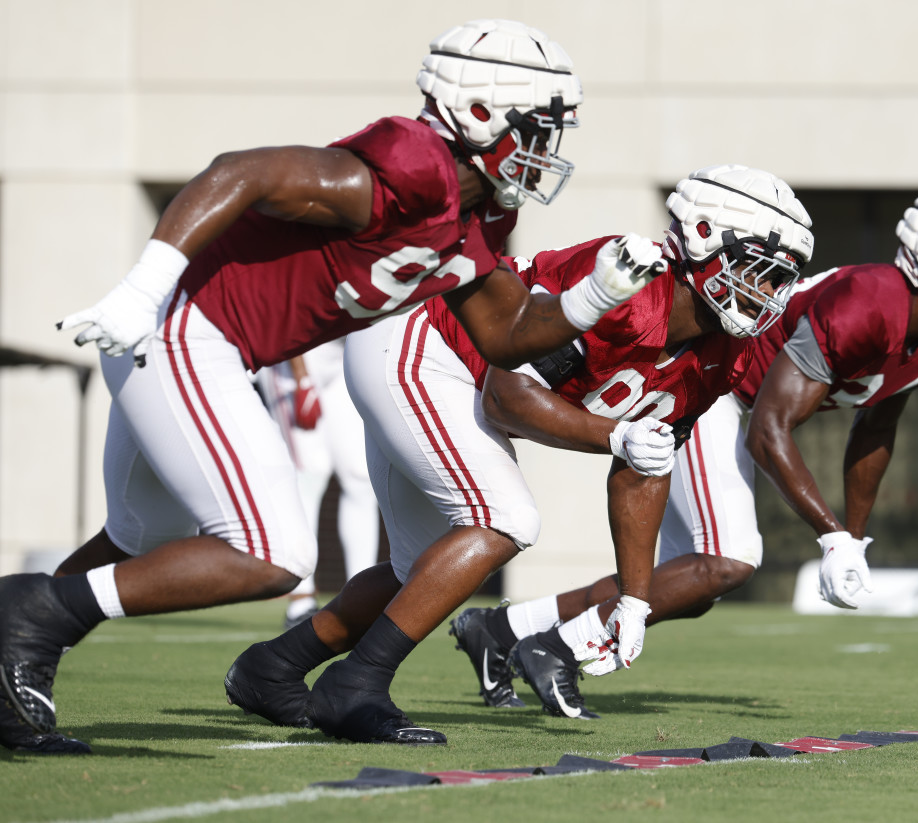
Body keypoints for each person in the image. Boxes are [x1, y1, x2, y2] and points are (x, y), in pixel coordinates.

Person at [0, 18, 658, 756]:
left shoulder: (472, 212)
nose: (546, 150)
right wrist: (142, 286)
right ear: (478, 112)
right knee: (268, 552)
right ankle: (25, 610)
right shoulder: (412, 166)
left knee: (138, 540)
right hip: (186, 331)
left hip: (209, 347)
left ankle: (15, 658)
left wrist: (591, 298)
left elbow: (505, 335)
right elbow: (238, 171)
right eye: (536, 128)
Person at [222, 164, 815, 735]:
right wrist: (613, 435)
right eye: (754, 268)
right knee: (505, 517)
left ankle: (272, 669)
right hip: (426, 343)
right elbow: (508, 394)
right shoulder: (633, 292)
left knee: (419, 571)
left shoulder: (722, 353)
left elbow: (644, 467)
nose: (766, 291)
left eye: (777, 278)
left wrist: (634, 600)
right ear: (703, 238)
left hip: (456, 379)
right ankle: (356, 685)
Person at [454, 182, 918, 717]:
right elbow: (769, 427)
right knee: (728, 558)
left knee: (696, 581)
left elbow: (877, 427)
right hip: (716, 391)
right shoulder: (870, 300)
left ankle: (505, 632)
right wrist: (830, 535)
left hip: (735, 404)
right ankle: (555, 646)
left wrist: (853, 538)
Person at [255, 341, 380, 629]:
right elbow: (291, 305)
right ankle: (300, 598)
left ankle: (361, 599)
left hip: (344, 356)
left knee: (360, 477)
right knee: (310, 473)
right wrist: (302, 377)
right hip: (295, 354)